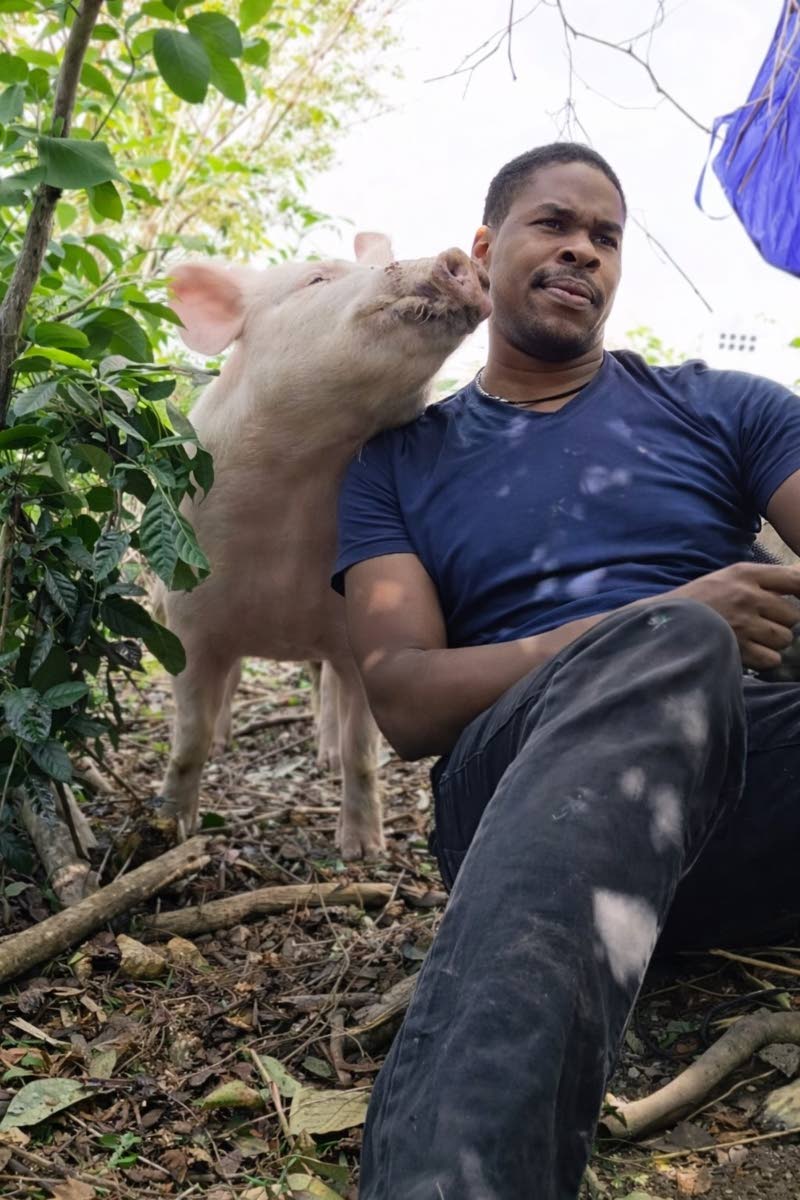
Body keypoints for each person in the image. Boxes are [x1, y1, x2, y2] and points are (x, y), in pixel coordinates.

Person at [331, 143, 800, 1200]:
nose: (582, 250)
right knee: (675, 643)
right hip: (518, 805)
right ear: (485, 247)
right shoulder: (396, 462)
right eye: (553, 223)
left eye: (605, 237)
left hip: (736, 806)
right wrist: (654, 621)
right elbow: (403, 699)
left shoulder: (728, 406)